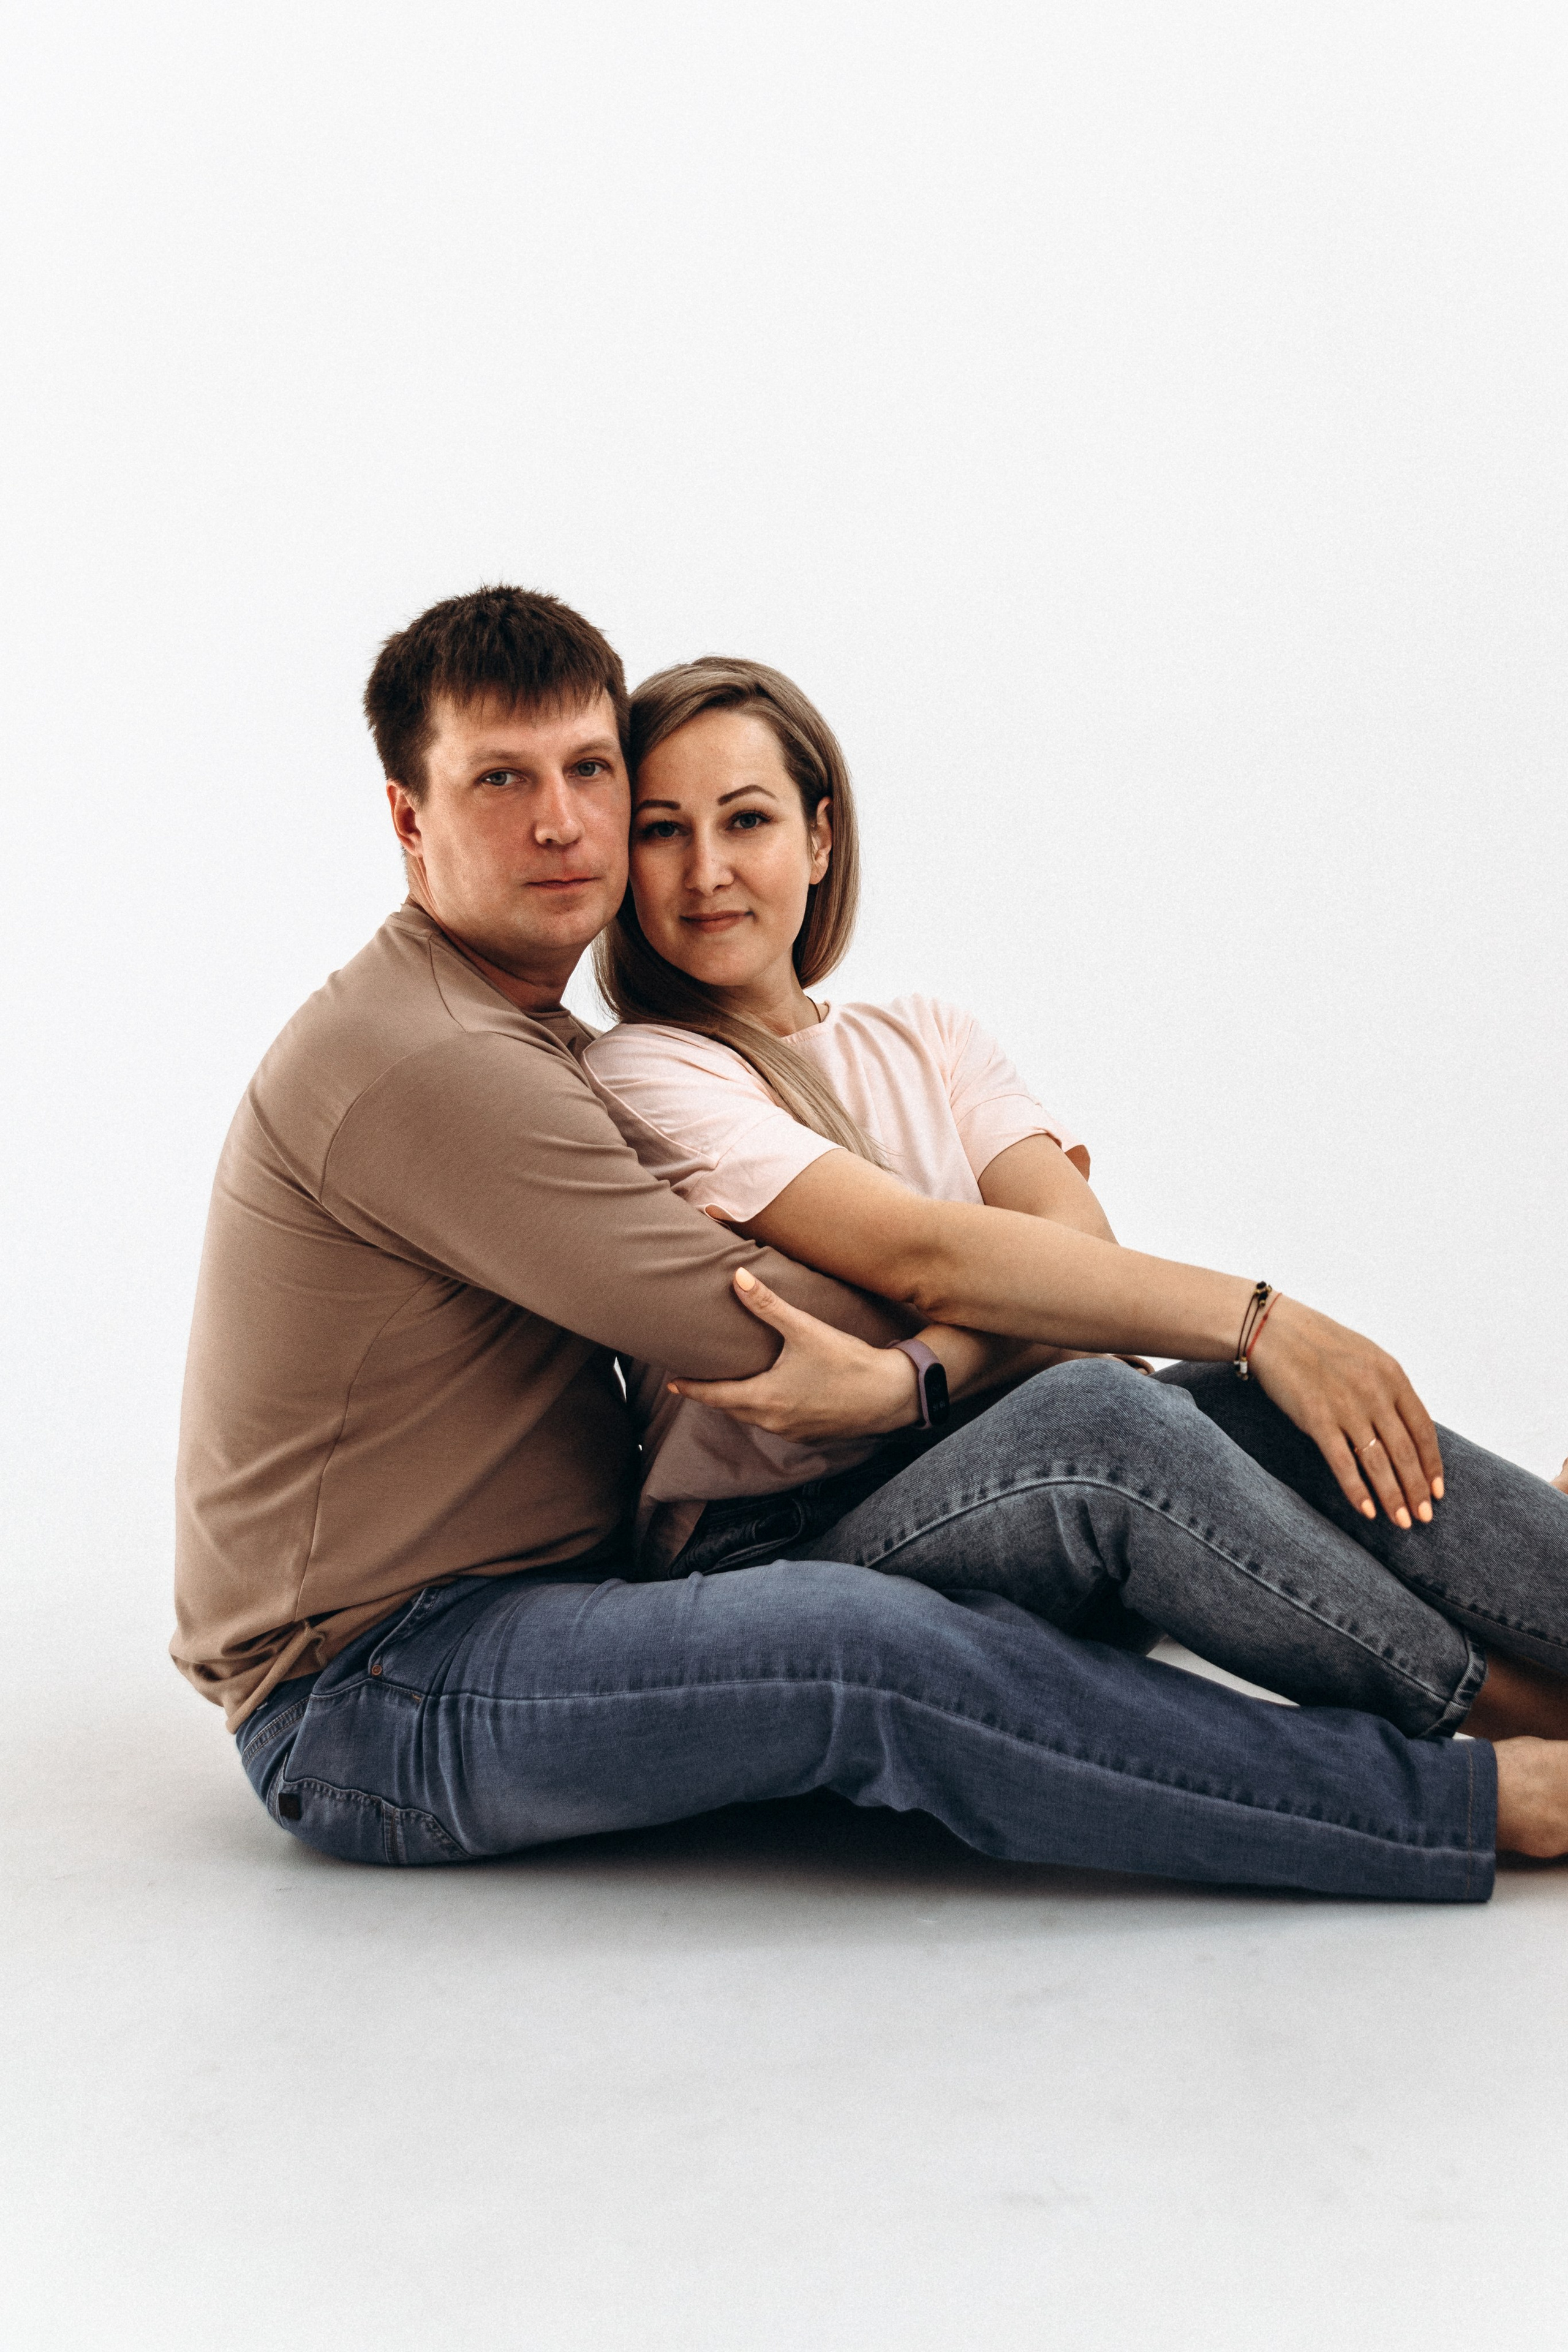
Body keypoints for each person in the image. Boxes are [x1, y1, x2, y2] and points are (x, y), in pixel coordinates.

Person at [172, 583, 1568, 1894]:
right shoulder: (443, 1060)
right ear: (408, 818)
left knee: (1215, 1411)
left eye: (588, 770)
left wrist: (961, 1350)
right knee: (884, 1631)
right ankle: (1471, 1785)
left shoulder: (522, 1033)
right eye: (499, 781)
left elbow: (962, 1288)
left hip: (558, 1604)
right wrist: (1096, 1316)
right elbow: (784, 1334)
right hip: (374, 1692)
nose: (561, 824)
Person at [582, 655, 1568, 1758]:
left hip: (1021, 1482)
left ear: (819, 840)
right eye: (662, 831)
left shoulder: (930, 1036)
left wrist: (909, 1380)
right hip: (778, 1549)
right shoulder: (644, 1073)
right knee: (1104, 1408)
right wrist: (1260, 1318)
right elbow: (928, 1256)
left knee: (1242, 1406)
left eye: (746, 819)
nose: (707, 870)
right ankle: (1526, 1718)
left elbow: (1080, 1252)